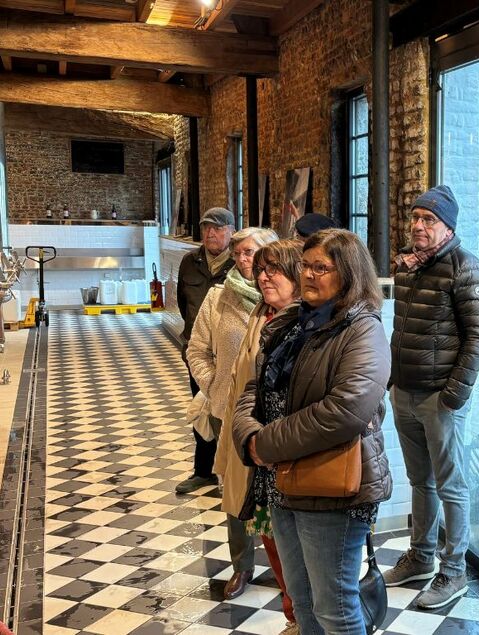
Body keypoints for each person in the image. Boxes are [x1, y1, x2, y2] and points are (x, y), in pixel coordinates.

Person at [232, 229, 391, 635]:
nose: (309, 274)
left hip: (331, 487)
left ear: (350, 274)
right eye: (306, 264)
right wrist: (248, 435)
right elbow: (256, 386)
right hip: (281, 479)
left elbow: (344, 412)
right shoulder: (292, 324)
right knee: (301, 603)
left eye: (322, 267)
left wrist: (264, 444)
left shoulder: (362, 330)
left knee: (334, 607)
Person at [384, 185, 479, 609]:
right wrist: (392, 382)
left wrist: (454, 395)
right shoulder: (409, 266)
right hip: (405, 391)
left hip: (439, 399)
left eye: (429, 219)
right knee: (419, 481)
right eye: (415, 217)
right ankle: (421, 556)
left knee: (452, 486)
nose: (418, 226)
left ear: (448, 227)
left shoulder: (466, 269)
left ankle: (455, 571)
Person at [185, 228, 280, 603]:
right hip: (230, 411)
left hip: (273, 415)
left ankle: (283, 562)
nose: (244, 260)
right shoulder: (217, 298)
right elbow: (196, 350)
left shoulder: (286, 298)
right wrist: (217, 387)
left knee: (276, 491)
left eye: (252, 253)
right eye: (239, 253)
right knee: (235, 492)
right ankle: (242, 564)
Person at [177, 207, 236, 494]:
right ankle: (203, 471)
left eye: (218, 228)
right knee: (202, 409)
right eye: (207, 228)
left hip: (228, 351)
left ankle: (230, 471)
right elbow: (182, 302)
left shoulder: (239, 264)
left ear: (231, 231)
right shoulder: (190, 261)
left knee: (229, 411)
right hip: (197, 351)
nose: (211, 233)